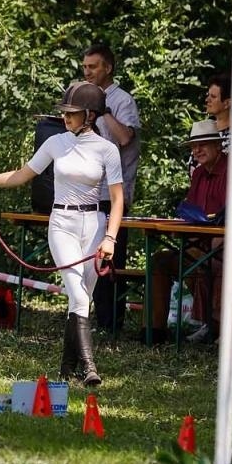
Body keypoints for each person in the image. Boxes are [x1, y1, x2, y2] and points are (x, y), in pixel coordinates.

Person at [0, 81, 123, 386]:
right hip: (62, 224)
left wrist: (110, 237)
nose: (66, 118)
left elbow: (118, 199)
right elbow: (21, 175)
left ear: (90, 115)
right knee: (78, 293)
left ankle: (66, 369)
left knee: (80, 301)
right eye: (65, 113)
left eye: (73, 113)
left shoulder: (107, 150)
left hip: (94, 224)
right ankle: (90, 368)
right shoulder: (56, 143)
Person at [149, 120, 228, 342]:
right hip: (196, 243)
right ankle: (153, 332)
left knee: (197, 260)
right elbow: (190, 211)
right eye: (194, 146)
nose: (196, 150)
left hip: (224, 247)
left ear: (218, 145)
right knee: (159, 261)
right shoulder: (199, 173)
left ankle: (215, 323)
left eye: (202, 145)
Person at [80, 43, 140, 329]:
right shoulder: (83, 96)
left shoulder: (122, 101)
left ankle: (111, 323)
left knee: (110, 260)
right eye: (84, 67)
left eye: (93, 66)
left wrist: (102, 111)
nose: (87, 72)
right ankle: (90, 317)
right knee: (88, 258)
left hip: (112, 194)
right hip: (86, 192)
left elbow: (126, 137)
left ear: (108, 68)